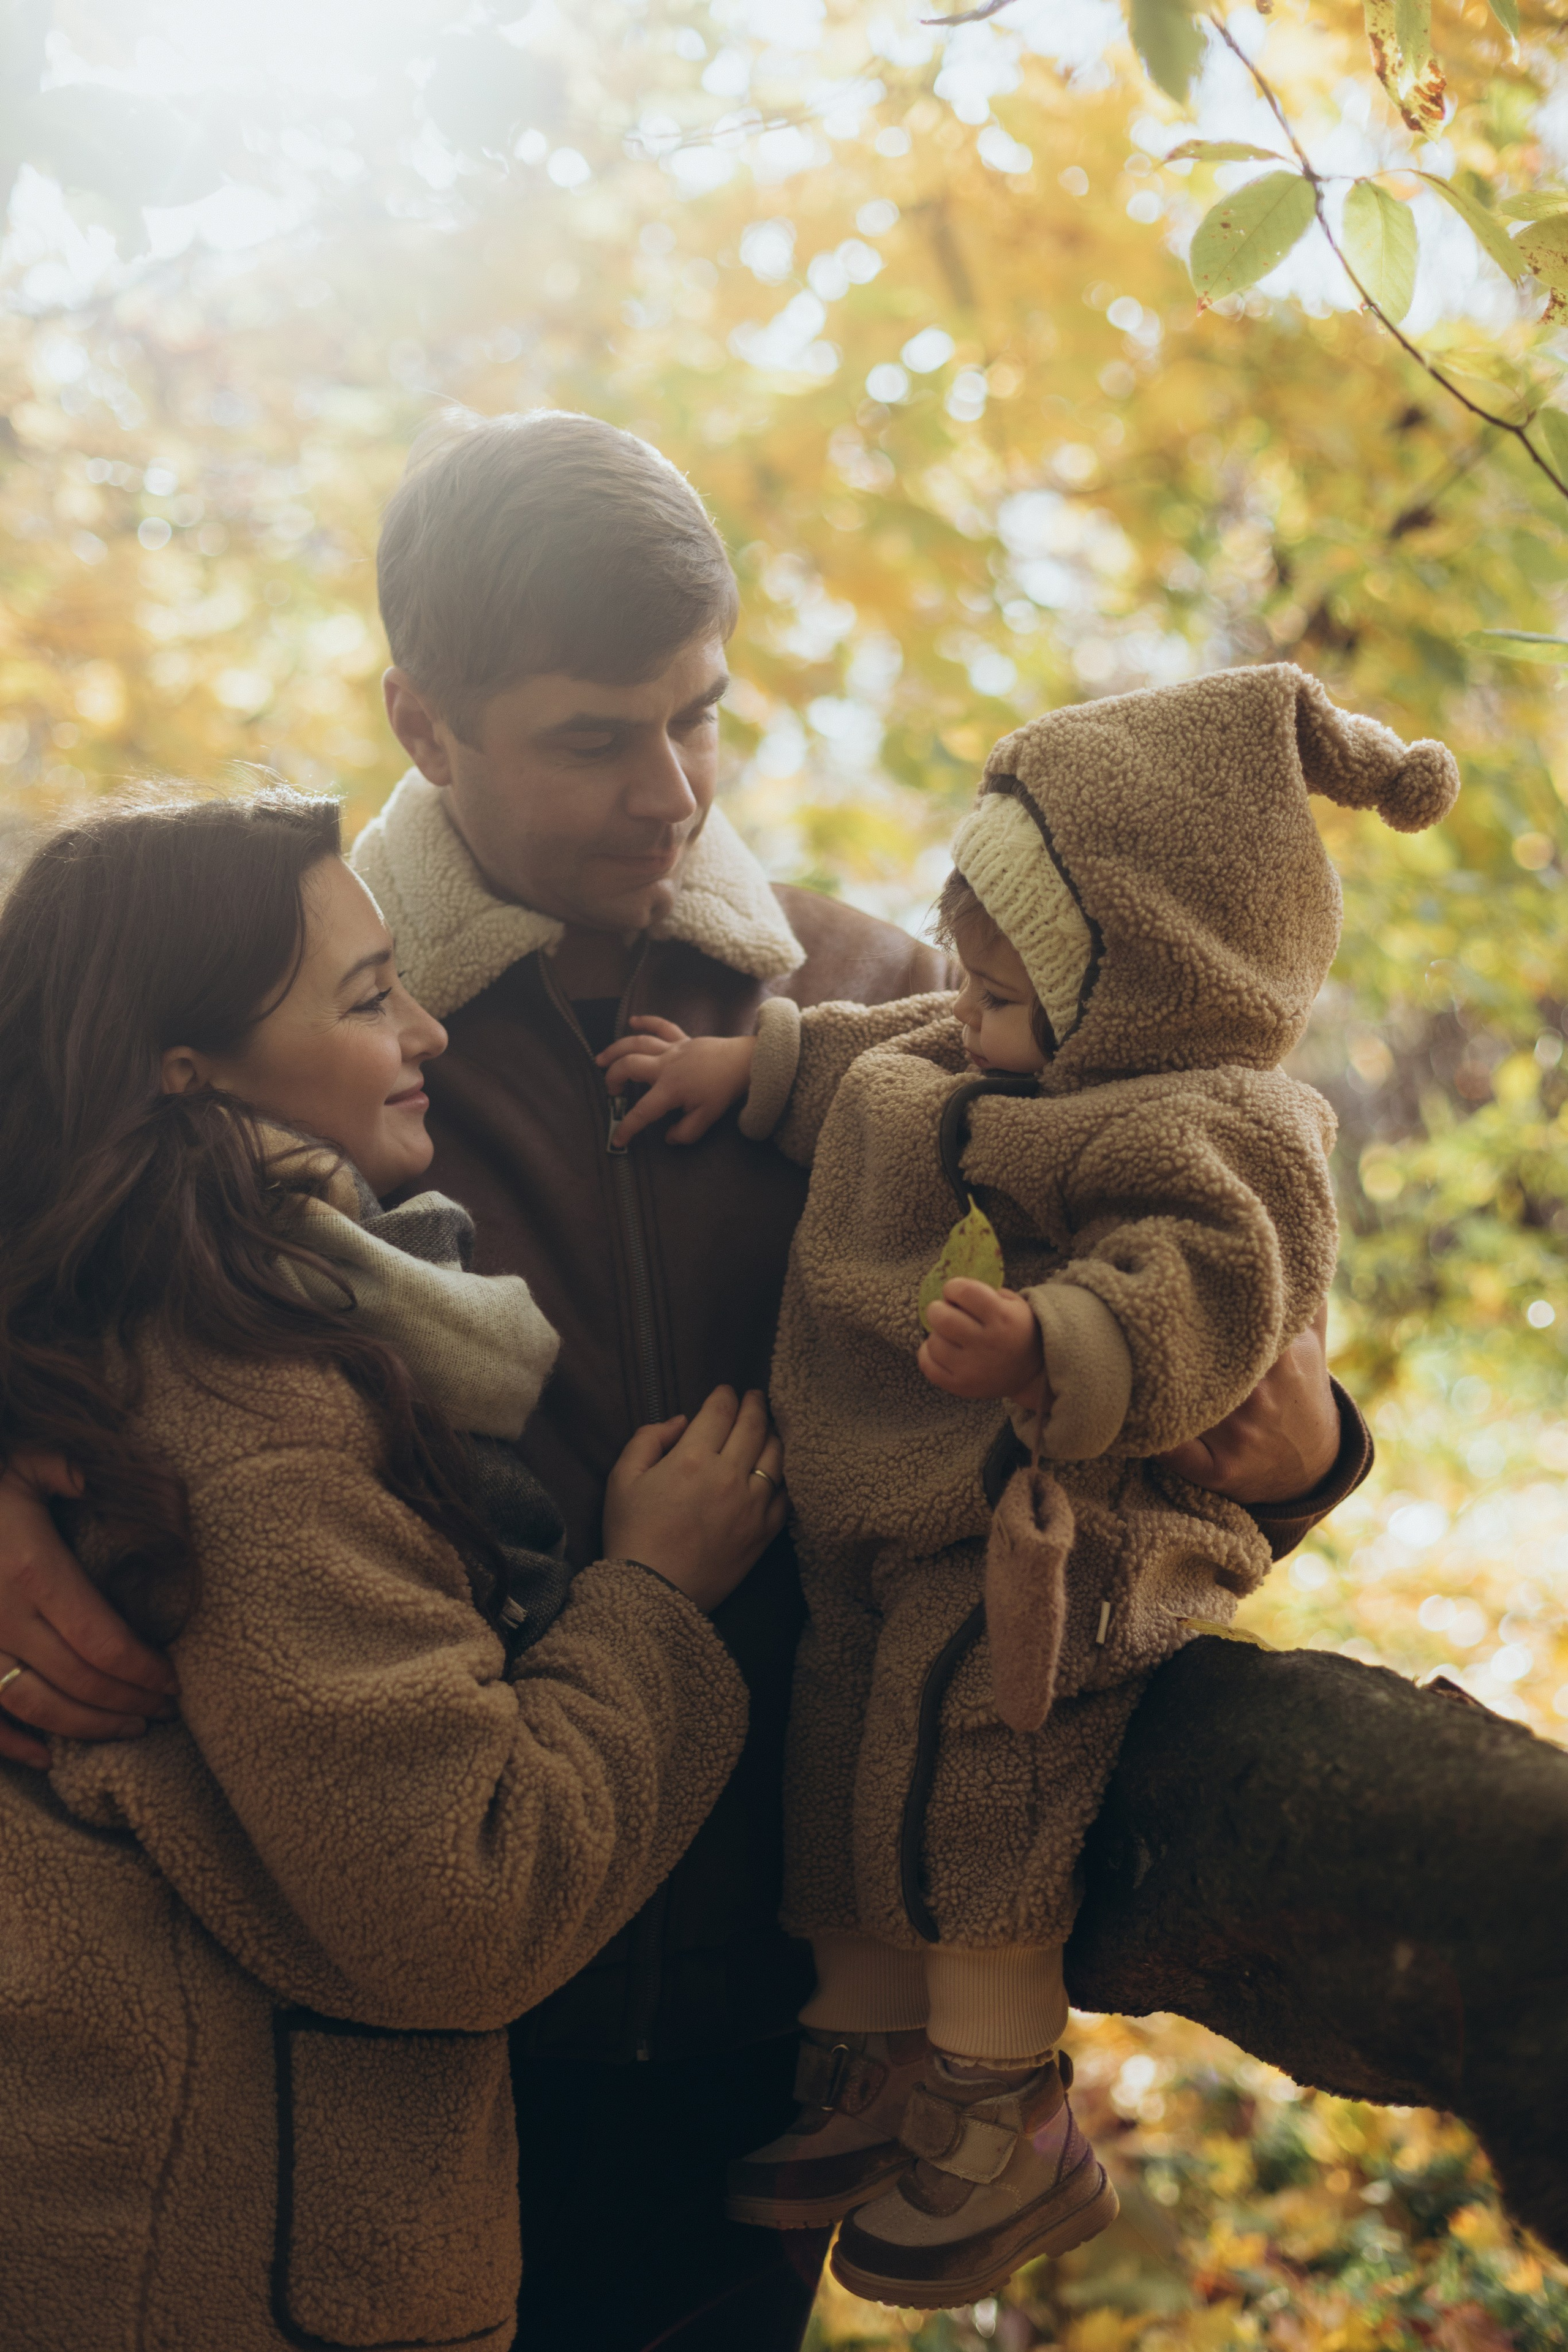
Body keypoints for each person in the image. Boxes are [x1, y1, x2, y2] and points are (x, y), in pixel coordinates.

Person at [0, 409, 1368, 2351]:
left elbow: (1181, 1324)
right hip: (350, 2055)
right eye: (591, 737)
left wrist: (1307, 1459)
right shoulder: (285, 1021)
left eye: (699, 717)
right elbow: (60, 1250)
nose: (670, 793)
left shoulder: (883, 1006)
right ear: (424, 723)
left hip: (771, 2019)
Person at [598, 663, 1459, 2307]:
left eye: (1001, 994)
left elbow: (1213, 1287)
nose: (962, 1013)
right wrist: (749, 1071)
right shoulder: (989, 1046)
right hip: (883, 1520)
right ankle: (868, 2049)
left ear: (1137, 983)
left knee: (981, 1775)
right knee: (849, 1758)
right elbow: (872, 1049)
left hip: (1052, 1532)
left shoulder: (1212, 1125)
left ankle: (1002, 2103)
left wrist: (1055, 1338)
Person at [0, 788, 785, 2350]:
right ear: (189, 1067)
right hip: (227, 2260)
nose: (426, 1029)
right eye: (368, 998)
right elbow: (459, 1904)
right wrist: (654, 1600)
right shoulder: (256, 1402)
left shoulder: (174, 1314)